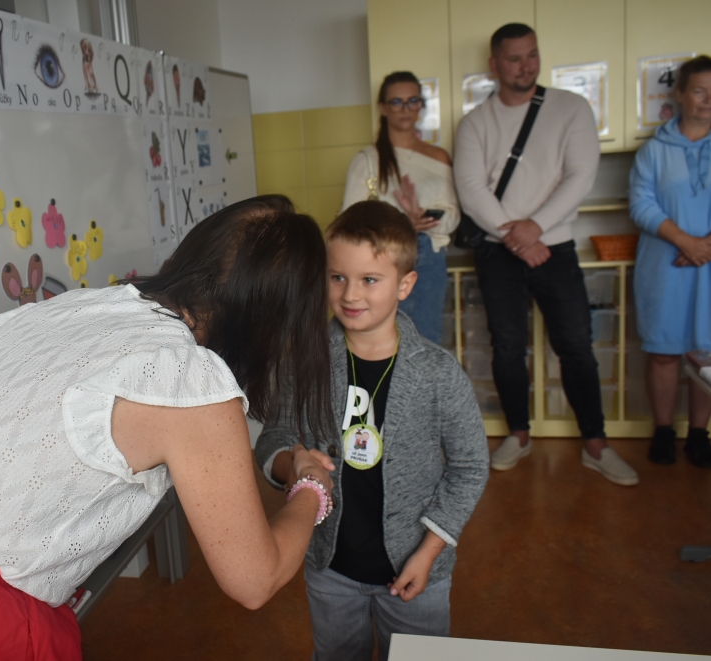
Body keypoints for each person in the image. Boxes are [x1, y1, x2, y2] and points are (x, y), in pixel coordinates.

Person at [0, 195, 338, 660]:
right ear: (278, 321)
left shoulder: (82, 308)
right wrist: (312, 488)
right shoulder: (189, 382)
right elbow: (254, 579)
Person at [256, 201, 488, 661]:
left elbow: (470, 467)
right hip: (330, 570)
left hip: (416, 570)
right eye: (337, 277)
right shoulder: (305, 363)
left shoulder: (439, 373)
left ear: (405, 285)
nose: (350, 294)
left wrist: (429, 551)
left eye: (369, 280)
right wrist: (293, 463)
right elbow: (274, 437)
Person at [454, 23, 638, 486]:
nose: (526, 66)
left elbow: (581, 175)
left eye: (532, 55)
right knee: (507, 346)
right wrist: (517, 236)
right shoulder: (475, 122)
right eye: (514, 58)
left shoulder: (571, 108)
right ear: (494, 64)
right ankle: (518, 434)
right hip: (497, 251)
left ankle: (595, 443)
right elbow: (471, 189)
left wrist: (535, 228)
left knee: (576, 345)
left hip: (554, 246)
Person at [629, 55, 711, 467]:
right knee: (663, 353)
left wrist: (704, 247)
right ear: (680, 94)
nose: (708, 99)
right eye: (699, 91)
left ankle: (699, 434)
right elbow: (641, 205)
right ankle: (663, 430)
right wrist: (686, 242)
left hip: (708, 266)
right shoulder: (654, 151)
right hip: (665, 265)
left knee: (706, 354)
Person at [341, 71, 460, 344]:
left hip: (429, 259)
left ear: (420, 105)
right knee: (381, 341)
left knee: (426, 341)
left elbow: (453, 214)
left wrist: (424, 220)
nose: (405, 109)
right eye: (396, 102)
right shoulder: (368, 160)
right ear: (383, 108)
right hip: (380, 260)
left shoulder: (438, 156)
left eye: (412, 101)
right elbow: (351, 222)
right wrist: (403, 224)